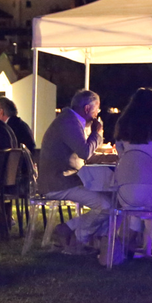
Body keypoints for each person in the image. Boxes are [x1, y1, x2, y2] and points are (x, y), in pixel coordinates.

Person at [38, 90, 110, 253]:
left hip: (68, 178)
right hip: (58, 182)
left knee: (110, 198)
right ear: (87, 108)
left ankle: (80, 233)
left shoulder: (71, 120)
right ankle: (78, 238)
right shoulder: (68, 122)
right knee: (106, 206)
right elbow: (85, 152)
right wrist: (97, 134)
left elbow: (83, 153)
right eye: (97, 109)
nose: (97, 113)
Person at [113, 88, 152, 207]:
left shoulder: (122, 124)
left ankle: (132, 220)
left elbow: (121, 155)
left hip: (127, 193)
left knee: (132, 199)